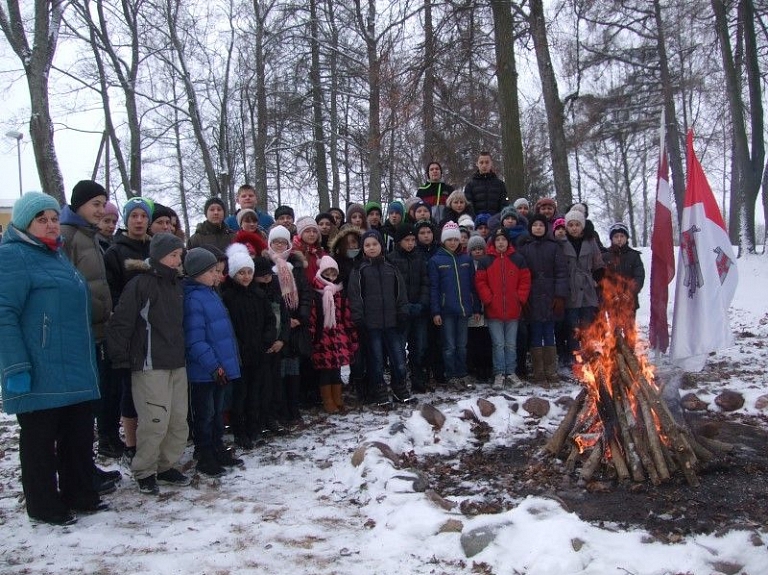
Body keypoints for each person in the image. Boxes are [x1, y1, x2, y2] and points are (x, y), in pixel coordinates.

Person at [0, 192, 104, 525]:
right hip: (39, 367)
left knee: (78, 434)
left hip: (74, 365)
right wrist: (15, 366)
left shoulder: (56, 256)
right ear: (23, 223)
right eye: (41, 219)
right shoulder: (13, 256)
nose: (50, 225)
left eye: (54, 218)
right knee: (40, 442)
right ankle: (44, 505)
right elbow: (4, 315)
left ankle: (80, 494)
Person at [106, 233, 191, 496]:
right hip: (148, 363)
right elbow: (122, 321)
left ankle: (166, 465)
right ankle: (145, 470)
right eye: (172, 255)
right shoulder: (140, 284)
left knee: (178, 420)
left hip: (176, 361)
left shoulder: (177, 284)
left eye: (179, 255)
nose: (177, 260)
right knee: (155, 419)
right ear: (158, 255)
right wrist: (119, 356)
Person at [59, 180, 121, 491]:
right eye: (96, 204)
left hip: (97, 330)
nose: (100, 210)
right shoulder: (67, 236)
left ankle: (87, 468)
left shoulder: (89, 236)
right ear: (79, 204)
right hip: (78, 331)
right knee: (81, 409)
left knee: (92, 405)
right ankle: (79, 474)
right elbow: (68, 285)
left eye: (103, 204)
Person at [183, 248, 243, 477]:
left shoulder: (211, 293)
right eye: (212, 271)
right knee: (205, 414)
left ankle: (217, 447)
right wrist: (213, 365)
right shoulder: (193, 299)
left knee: (218, 412)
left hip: (219, 368)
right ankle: (204, 453)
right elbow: (195, 339)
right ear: (197, 273)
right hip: (204, 371)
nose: (218, 276)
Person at [103, 196, 154, 462]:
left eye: (143, 216)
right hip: (129, 328)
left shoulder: (155, 248)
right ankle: (131, 443)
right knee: (129, 388)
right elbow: (110, 291)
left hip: (154, 328)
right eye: (133, 215)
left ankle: (151, 438)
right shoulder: (116, 251)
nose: (138, 220)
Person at [221, 245, 280, 448]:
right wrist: (238, 345)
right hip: (239, 354)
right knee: (240, 394)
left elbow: (270, 319)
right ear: (233, 274)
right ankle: (240, 431)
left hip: (259, 352)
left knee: (256, 392)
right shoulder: (228, 296)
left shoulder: (258, 294)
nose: (245, 277)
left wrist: (267, 338)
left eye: (248, 272)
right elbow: (227, 326)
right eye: (241, 273)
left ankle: (254, 428)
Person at [348, 230, 412, 406]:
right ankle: (379, 388)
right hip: (371, 324)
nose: (371, 248)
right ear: (363, 248)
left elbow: (401, 293)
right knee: (376, 360)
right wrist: (359, 319)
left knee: (399, 359)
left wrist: (402, 312)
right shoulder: (359, 270)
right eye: (367, 245)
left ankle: (399, 386)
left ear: (381, 246)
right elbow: (355, 296)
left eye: (374, 244)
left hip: (392, 323)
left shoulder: (391, 268)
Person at [265, 225, 312, 426]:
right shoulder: (266, 266)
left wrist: (300, 317)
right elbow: (267, 299)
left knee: (294, 371)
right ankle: (280, 410)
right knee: (278, 373)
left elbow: (305, 294)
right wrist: (282, 322)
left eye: (283, 242)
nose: (279, 245)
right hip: (277, 327)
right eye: (276, 242)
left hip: (295, 326)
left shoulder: (296, 265)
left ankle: (294, 408)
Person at [475, 228, 531, 389]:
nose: (501, 243)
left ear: (508, 242)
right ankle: (499, 373)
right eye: (498, 240)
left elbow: (525, 280)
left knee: (511, 343)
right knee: (498, 344)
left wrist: (519, 298)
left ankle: (511, 372)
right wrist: (488, 299)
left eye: (503, 240)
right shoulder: (486, 261)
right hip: (494, 311)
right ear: (493, 242)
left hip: (513, 310)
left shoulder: (518, 259)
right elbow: (480, 282)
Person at [517, 214, 569, 384]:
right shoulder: (525, 248)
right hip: (532, 296)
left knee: (549, 333)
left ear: (546, 228)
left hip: (550, 295)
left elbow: (562, 273)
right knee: (535, 333)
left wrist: (560, 296)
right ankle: (538, 371)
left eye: (541, 225)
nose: (538, 228)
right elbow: (521, 275)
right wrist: (523, 299)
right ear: (530, 228)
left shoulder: (554, 247)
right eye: (535, 225)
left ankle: (551, 370)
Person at [429, 221, 480, 390]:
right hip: (446, 311)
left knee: (462, 345)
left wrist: (477, 307)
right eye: (449, 239)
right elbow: (434, 288)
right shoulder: (436, 260)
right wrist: (436, 311)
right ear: (443, 240)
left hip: (464, 309)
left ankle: (462, 373)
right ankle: (451, 375)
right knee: (449, 346)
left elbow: (474, 286)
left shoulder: (466, 259)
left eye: (455, 239)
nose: (452, 242)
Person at [309, 256, 358, 413]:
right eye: (327, 272)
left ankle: (338, 397)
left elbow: (347, 315)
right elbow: (313, 316)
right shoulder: (316, 292)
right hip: (322, 335)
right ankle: (328, 400)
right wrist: (311, 336)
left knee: (337, 368)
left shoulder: (340, 291)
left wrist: (351, 335)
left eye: (333, 273)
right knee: (325, 370)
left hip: (339, 333)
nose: (331, 276)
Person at [386, 225, 430, 393]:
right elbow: (390, 287)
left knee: (418, 347)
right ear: (399, 242)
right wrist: (401, 306)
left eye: (413, 240)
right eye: (407, 240)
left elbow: (426, 283)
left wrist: (422, 304)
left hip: (419, 310)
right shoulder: (391, 259)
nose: (410, 243)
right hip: (400, 312)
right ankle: (399, 380)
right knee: (398, 349)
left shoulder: (420, 258)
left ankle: (417, 378)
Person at [562, 210, 605, 363]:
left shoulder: (590, 241)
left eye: (577, 225)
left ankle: (588, 356)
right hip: (570, 287)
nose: (574, 228)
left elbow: (598, 263)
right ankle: (575, 358)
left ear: (582, 226)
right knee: (573, 326)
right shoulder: (562, 241)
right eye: (571, 225)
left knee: (587, 325)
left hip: (587, 288)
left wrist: (596, 279)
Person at [602, 222, 645, 324]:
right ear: (612, 239)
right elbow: (603, 278)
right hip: (611, 300)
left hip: (629, 300)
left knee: (629, 330)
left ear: (627, 238)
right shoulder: (605, 256)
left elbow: (639, 276)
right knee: (614, 332)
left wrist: (629, 292)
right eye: (616, 236)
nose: (619, 239)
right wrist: (612, 294)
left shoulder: (634, 256)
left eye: (622, 236)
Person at [465, 234, 493, 384]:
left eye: (480, 249)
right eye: (474, 249)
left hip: (487, 307)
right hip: (473, 308)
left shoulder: (489, 263)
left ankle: (486, 367)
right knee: (473, 340)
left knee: (486, 340)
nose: (477, 252)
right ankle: (475, 367)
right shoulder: (468, 265)